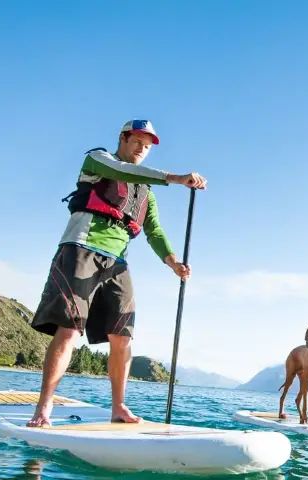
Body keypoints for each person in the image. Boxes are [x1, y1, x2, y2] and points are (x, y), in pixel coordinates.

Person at [26, 119, 207, 427]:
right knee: (69, 330)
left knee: (122, 337)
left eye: (148, 146)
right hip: (81, 249)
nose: (142, 149)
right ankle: (43, 408)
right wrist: (176, 178)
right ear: (123, 138)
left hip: (118, 263)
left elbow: (154, 231)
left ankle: (119, 407)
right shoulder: (98, 160)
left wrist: (173, 262)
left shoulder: (146, 194)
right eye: (137, 141)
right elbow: (123, 171)